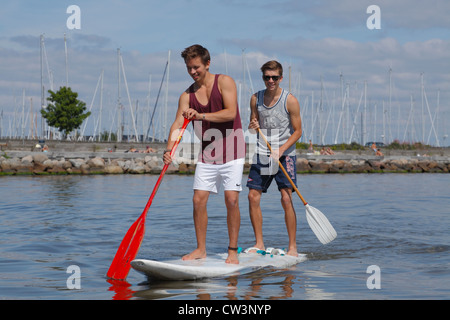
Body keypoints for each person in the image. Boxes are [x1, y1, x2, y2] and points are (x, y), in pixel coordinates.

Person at [163, 44, 245, 264]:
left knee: (231, 200)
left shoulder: (224, 82)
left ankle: (233, 250)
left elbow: (230, 113)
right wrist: (169, 149)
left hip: (234, 151)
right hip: (208, 154)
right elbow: (178, 124)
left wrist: (200, 116)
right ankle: (200, 249)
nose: (193, 72)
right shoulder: (187, 96)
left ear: (208, 63)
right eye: (189, 68)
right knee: (198, 200)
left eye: (196, 67)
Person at [246, 60, 302, 256]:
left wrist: (281, 150)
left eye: (274, 77)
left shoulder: (290, 100)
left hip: (285, 155)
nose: (270, 80)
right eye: (267, 77)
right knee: (253, 196)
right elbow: (253, 125)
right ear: (263, 78)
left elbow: (298, 132)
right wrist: (252, 127)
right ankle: (259, 243)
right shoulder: (255, 98)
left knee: (286, 198)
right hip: (263, 152)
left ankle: (292, 247)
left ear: (281, 78)